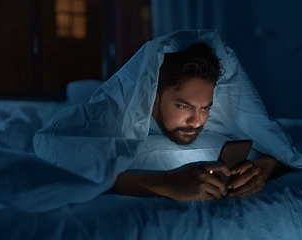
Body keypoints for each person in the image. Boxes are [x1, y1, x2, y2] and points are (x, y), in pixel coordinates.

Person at [112, 42, 291, 200]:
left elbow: (287, 153)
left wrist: (265, 167)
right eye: (184, 106)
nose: (197, 122)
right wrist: (167, 182)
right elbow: (87, 174)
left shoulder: (218, 124)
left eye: (205, 108)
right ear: (154, 100)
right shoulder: (115, 123)